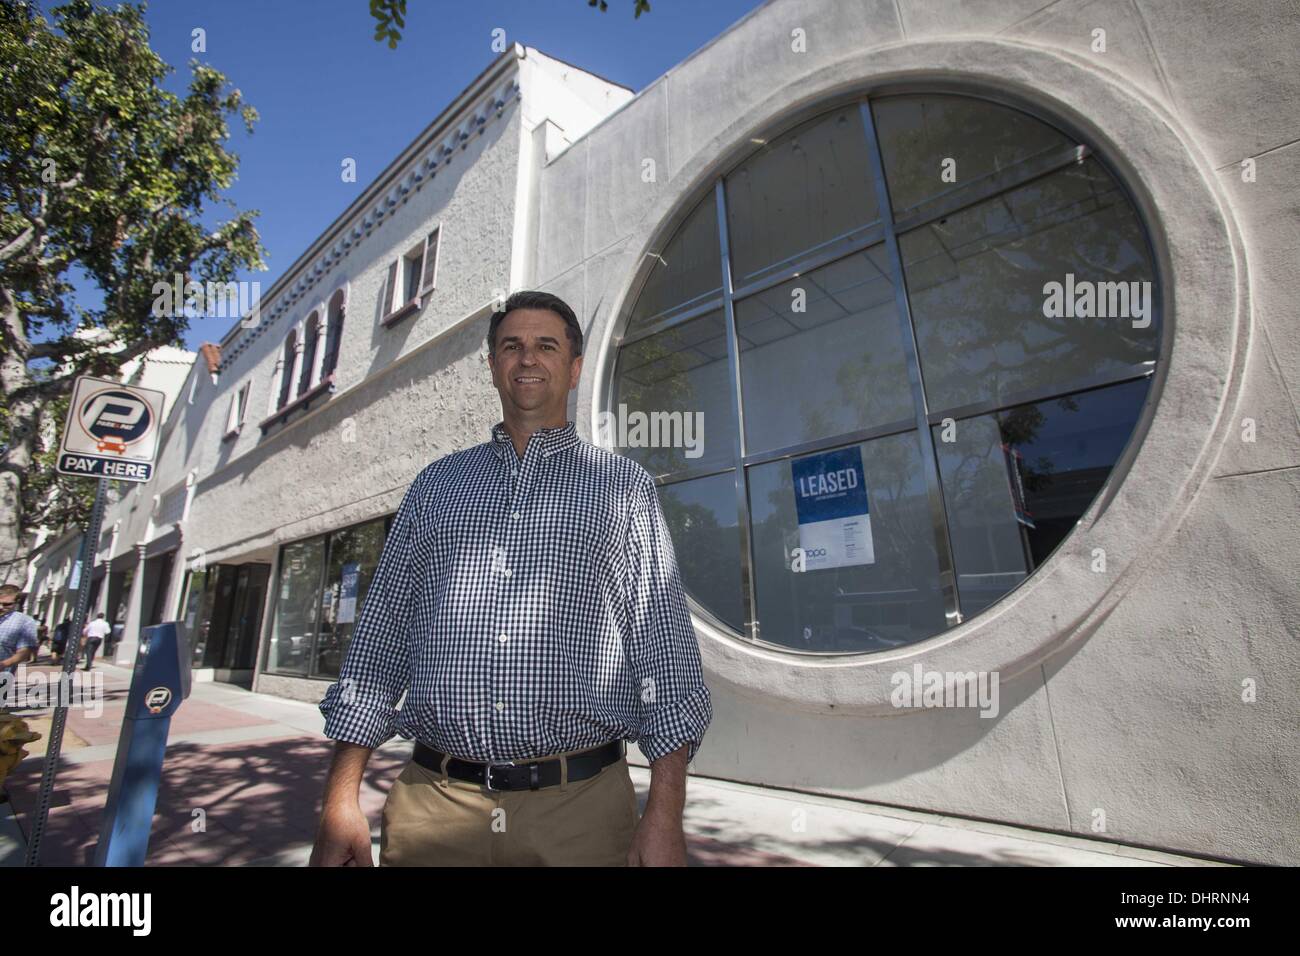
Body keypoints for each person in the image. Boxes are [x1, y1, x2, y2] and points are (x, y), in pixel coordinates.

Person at [311, 291, 712, 868]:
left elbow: (665, 658)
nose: (528, 359)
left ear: (574, 369)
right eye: (511, 346)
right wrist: (339, 800)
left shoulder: (622, 490)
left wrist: (665, 815)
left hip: (581, 815)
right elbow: (378, 645)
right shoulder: (435, 487)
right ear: (494, 364)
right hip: (435, 807)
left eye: (546, 346)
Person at [0, 585, 39, 678]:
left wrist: (3, 664)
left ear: (16, 602)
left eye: (6, 604)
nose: (0, 607)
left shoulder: (25, 622)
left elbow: (24, 652)